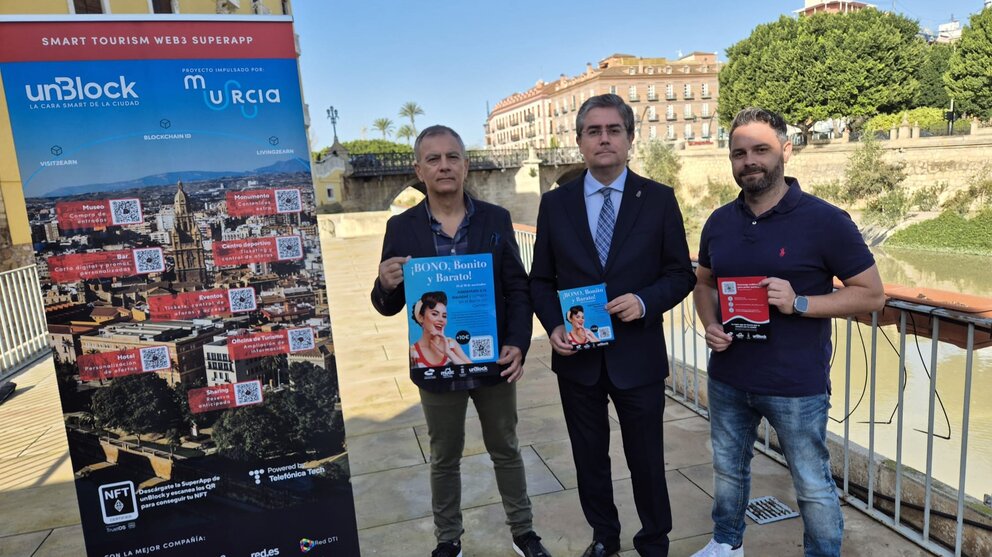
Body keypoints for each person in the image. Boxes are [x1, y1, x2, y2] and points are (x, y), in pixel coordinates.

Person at [690, 107, 885, 557]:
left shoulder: (825, 220)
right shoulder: (719, 221)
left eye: (761, 149)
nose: (749, 161)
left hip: (795, 384)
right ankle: (726, 545)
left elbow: (872, 295)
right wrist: (711, 323)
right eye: (739, 153)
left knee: (812, 483)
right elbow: (703, 282)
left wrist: (799, 303)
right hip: (728, 376)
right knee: (728, 471)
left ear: (786, 151)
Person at [371, 125, 552, 557]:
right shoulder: (401, 227)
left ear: (466, 165)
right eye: (433, 159)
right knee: (444, 456)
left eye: (453, 156)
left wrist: (518, 344)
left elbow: (517, 287)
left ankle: (523, 531)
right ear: (418, 169)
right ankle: (448, 539)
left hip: (491, 362)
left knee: (505, 448)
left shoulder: (495, 218)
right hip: (435, 365)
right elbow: (387, 305)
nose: (444, 165)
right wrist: (384, 283)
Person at [529, 94, 696, 557]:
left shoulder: (658, 199)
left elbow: (681, 274)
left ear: (629, 139)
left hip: (637, 356)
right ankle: (605, 538)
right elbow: (540, 279)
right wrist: (553, 326)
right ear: (579, 141)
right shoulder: (555, 203)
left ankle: (654, 541)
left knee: (646, 459)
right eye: (593, 131)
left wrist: (644, 302)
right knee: (589, 460)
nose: (603, 139)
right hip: (578, 359)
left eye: (613, 130)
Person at [410, 291, 473, 367]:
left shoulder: (451, 344)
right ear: (421, 317)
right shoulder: (413, 351)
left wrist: (449, 353)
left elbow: (474, 371)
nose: (441, 320)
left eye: (444, 316)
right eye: (435, 314)